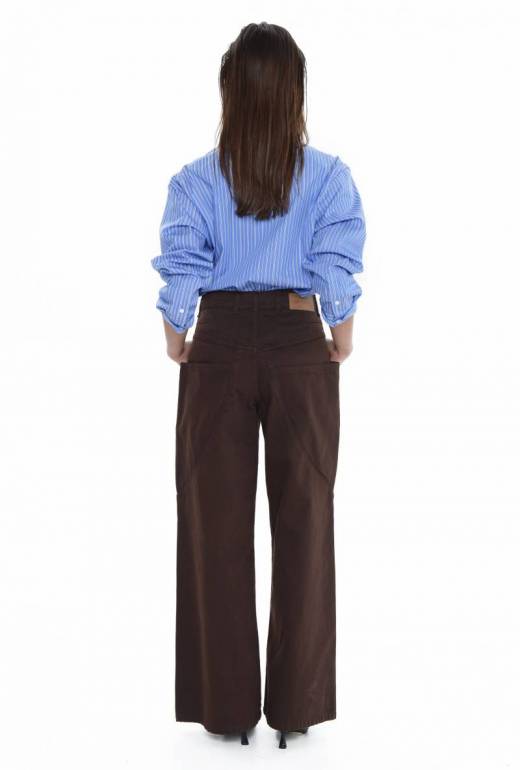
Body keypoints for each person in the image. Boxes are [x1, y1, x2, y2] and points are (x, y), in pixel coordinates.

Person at [150, 21, 367, 750]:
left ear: (229, 92)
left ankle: (226, 709)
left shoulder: (194, 180)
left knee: (213, 525)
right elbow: (335, 265)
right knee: (306, 522)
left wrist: (179, 335)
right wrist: (340, 334)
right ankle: (296, 707)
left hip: (215, 346)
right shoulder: (329, 177)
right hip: (300, 344)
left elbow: (183, 268)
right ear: (296, 93)